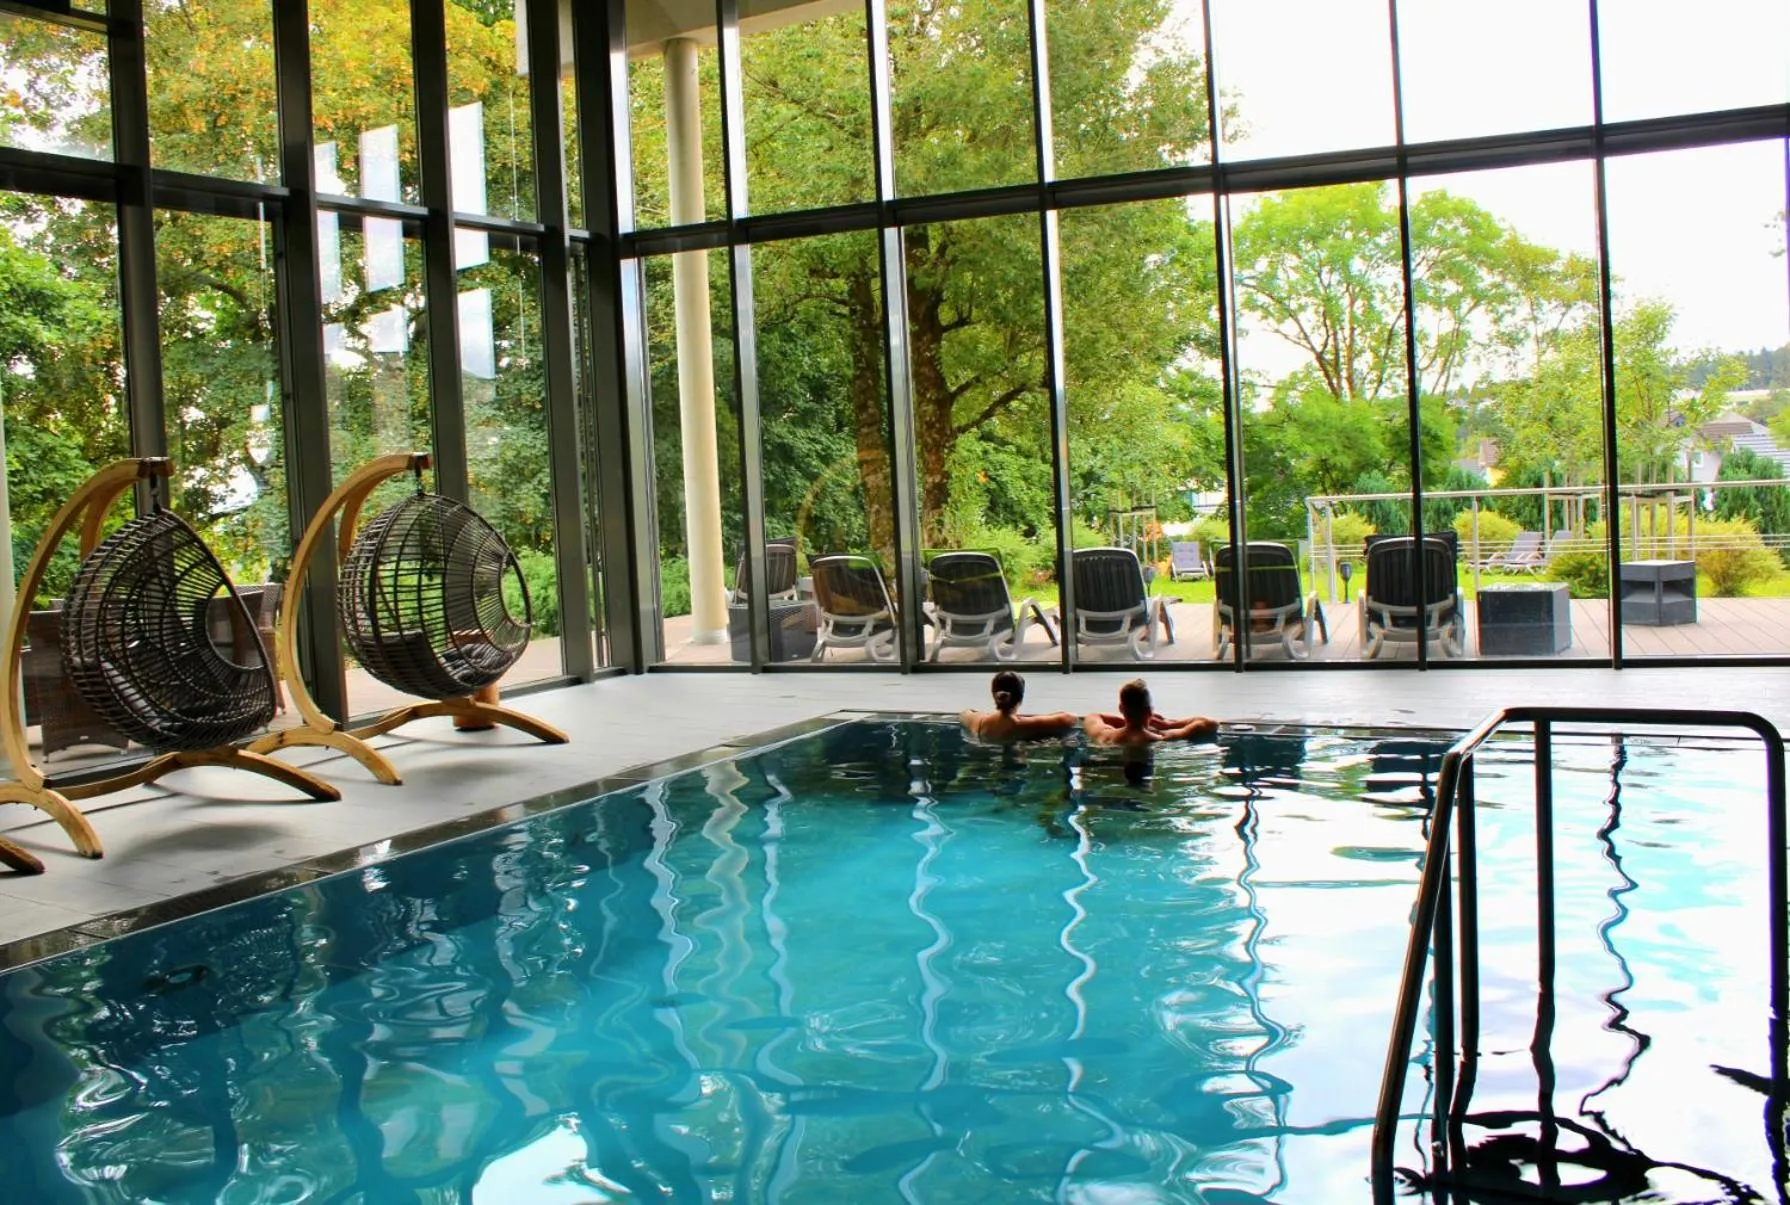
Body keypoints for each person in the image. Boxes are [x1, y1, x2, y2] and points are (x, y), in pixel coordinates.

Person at [1083, 677, 1217, 746]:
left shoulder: (1105, 736)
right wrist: (1169, 725)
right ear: (1150, 711)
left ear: (1121, 709)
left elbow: (1092, 716)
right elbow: (1210, 723)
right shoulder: (1161, 738)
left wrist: (1126, 720)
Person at [961, 670, 1079, 740]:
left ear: (994, 695)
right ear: (1020, 698)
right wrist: (1041, 719)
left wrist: (983, 715)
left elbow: (964, 713)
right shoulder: (1023, 725)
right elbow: (1071, 718)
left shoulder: (978, 721)